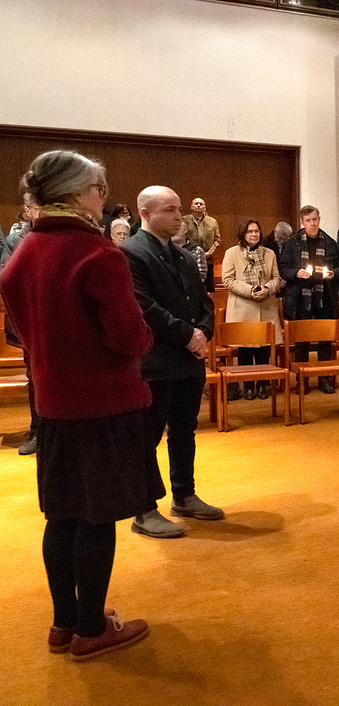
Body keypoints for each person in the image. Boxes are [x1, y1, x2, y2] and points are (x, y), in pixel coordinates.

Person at [0, 150, 155, 660]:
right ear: (75, 194)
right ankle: (92, 629)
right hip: (103, 406)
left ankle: (64, 622)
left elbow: (21, 334)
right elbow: (129, 337)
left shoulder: (23, 252)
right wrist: (145, 336)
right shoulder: (96, 253)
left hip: (53, 406)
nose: (102, 198)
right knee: (97, 518)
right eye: (97, 189)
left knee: (62, 516)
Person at [122, 186, 223, 539]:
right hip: (156, 361)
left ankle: (184, 495)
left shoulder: (182, 255)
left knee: (184, 431)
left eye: (179, 209)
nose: (179, 216)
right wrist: (188, 336)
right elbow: (144, 307)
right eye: (170, 210)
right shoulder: (131, 253)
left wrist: (204, 332)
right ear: (145, 213)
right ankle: (144, 509)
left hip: (187, 361)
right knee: (148, 438)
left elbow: (204, 302)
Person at [278, 205, 339, 395]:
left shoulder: (330, 243)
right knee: (302, 341)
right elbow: (283, 268)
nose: (312, 223)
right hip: (301, 297)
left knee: (325, 340)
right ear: (302, 222)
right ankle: (302, 379)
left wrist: (334, 273)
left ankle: (324, 378)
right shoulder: (293, 243)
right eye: (308, 221)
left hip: (324, 297)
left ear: (319, 219)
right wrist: (296, 273)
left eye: (314, 219)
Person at [221, 218, 282, 400]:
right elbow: (228, 280)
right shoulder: (232, 253)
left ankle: (263, 384)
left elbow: (276, 279)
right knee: (245, 350)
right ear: (243, 234)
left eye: (256, 231)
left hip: (266, 306)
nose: (254, 234)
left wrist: (267, 289)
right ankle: (247, 386)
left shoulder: (269, 253)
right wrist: (250, 290)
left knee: (263, 348)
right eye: (249, 231)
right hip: (243, 307)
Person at [2, 194, 41, 455]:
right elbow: (9, 280)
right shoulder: (16, 241)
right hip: (28, 320)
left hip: (56, 319)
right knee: (35, 377)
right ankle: (38, 431)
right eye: (36, 207)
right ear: (27, 211)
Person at [182, 197, 221, 291]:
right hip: (189, 258)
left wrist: (209, 253)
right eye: (196, 204)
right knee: (190, 287)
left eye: (201, 204)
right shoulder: (184, 220)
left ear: (205, 207)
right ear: (191, 206)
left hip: (208, 260)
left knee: (209, 288)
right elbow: (181, 237)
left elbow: (217, 240)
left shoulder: (212, 222)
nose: (199, 205)